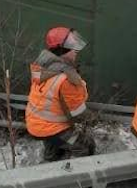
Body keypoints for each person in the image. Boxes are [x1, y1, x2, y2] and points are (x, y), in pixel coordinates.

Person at [25, 26, 95, 162]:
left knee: (55, 144)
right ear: (61, 51)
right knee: (85, 145)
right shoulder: (66, 79)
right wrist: (93, 119)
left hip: (37, 123)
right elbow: (78, 113)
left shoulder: (44, 67)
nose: (76, 51)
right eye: (72, 48)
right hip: (52, 128)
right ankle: (78, 179)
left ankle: (51, 160)